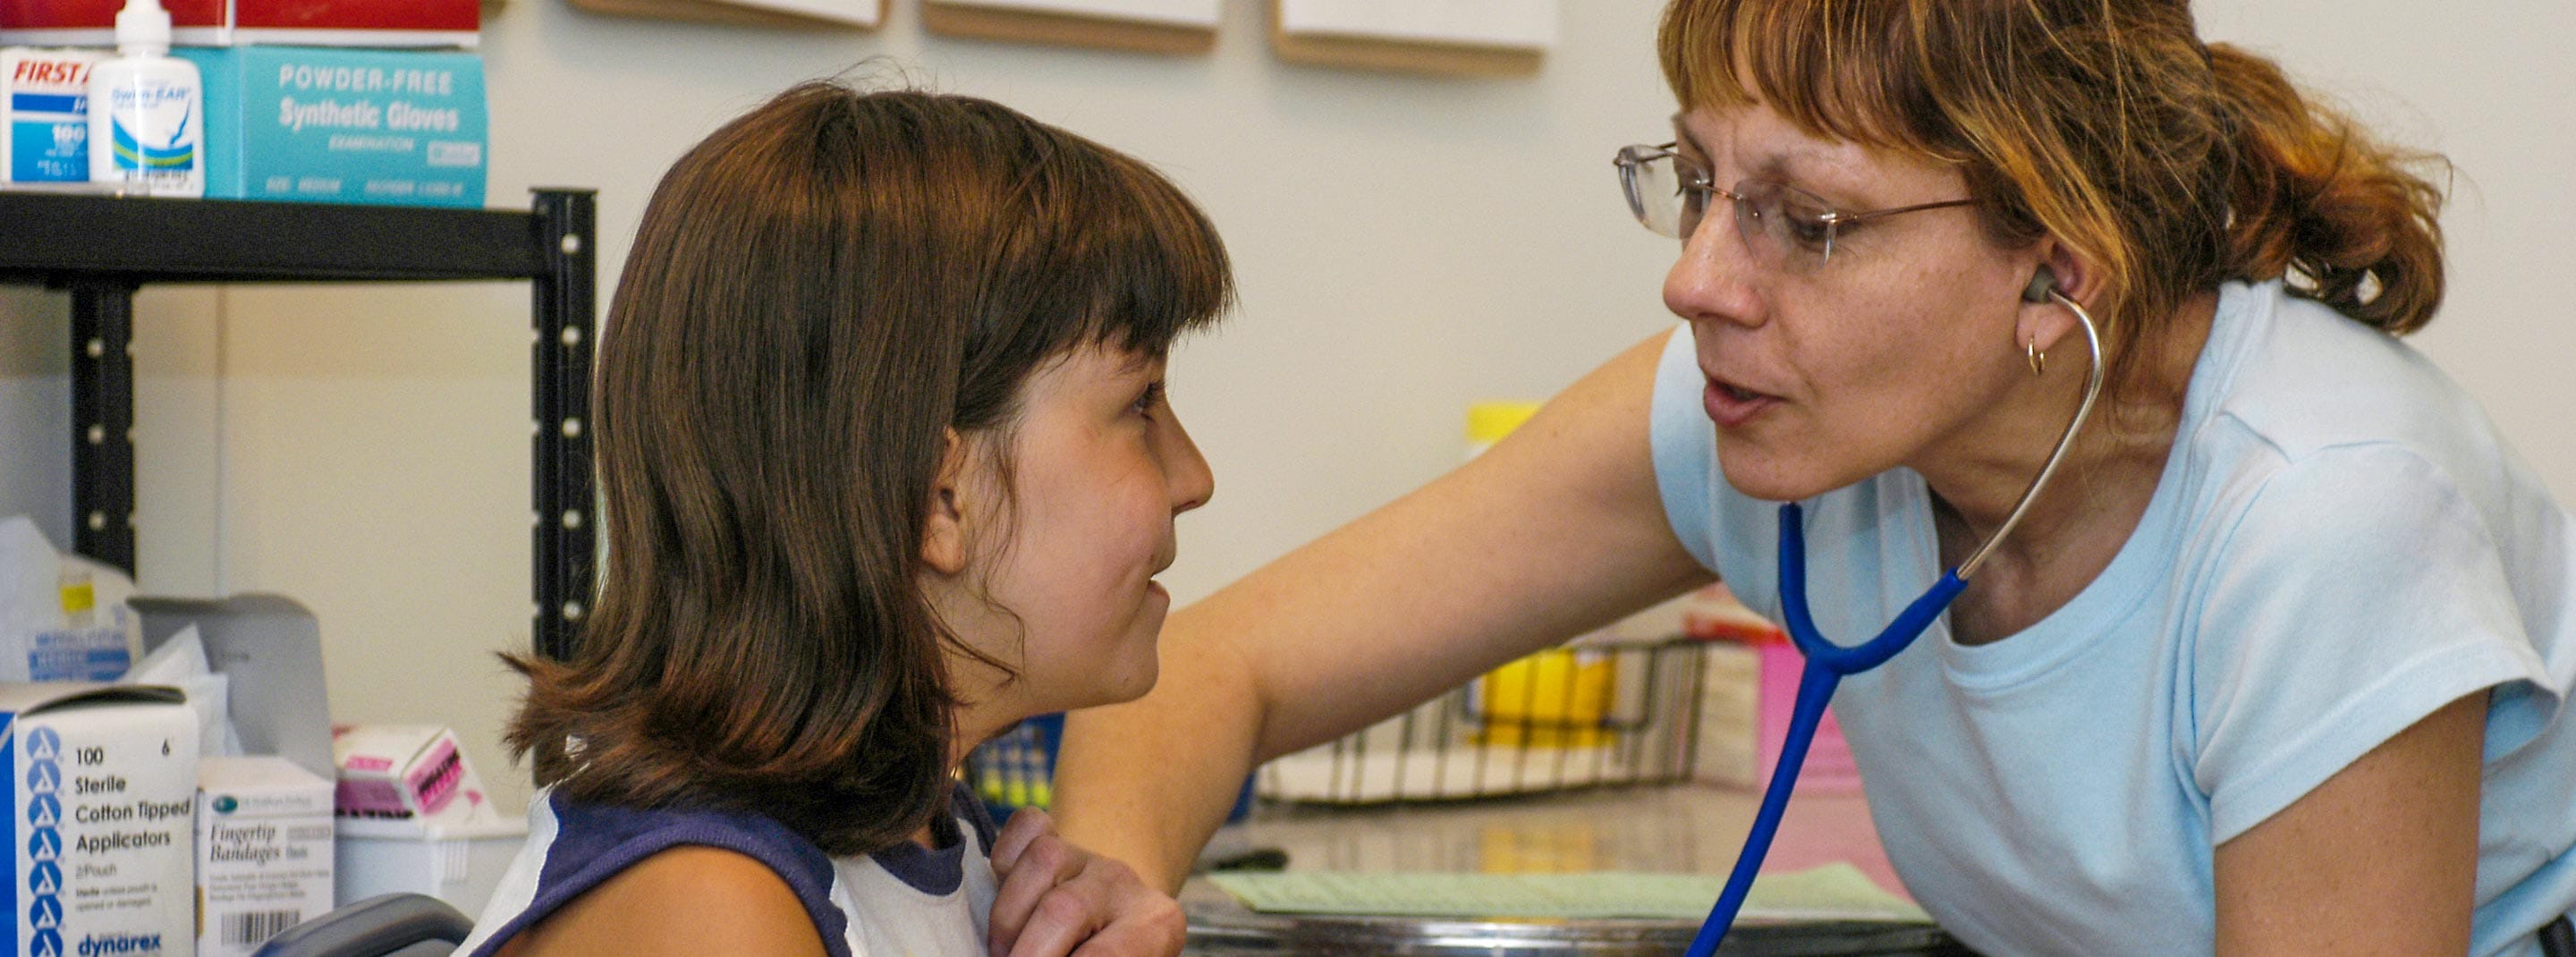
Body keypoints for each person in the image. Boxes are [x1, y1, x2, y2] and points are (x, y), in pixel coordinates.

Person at [1051, 1, 2576, 954]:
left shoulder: (2323, 513)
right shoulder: (1771, 415)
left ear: (2058, 268)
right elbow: (1220, 665)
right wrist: (1104, 880)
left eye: (1811, 222)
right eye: (1700, 185)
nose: (1698, 282)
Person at [455, 79, 1229, 957]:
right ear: (941, 499)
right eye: (1142, 402)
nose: (1193, 476)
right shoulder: (707, 909)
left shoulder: (943, 835)